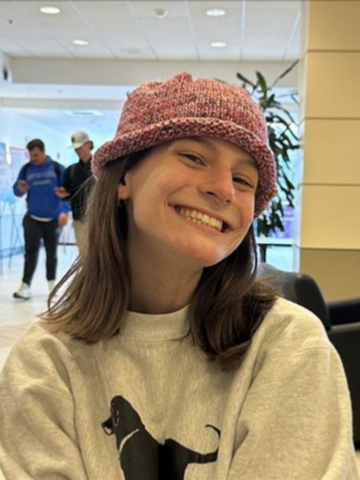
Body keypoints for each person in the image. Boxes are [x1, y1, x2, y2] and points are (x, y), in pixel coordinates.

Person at [0, 73, 358, 479]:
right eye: (193, 157)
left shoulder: (288, 348)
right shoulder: (46, 365)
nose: (224, 189)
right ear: (125, 178)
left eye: (243, 180)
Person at [12, 139, 69, 300]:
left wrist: (64, 212)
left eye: (36, 155)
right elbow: (17, 191)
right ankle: (25, 285)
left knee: (52, 253)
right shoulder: (26, 169)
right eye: (31, 155)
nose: (33, 158)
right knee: (31, 252)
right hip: (32, 217)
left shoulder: (57, 169)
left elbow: (67, 193)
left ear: (43, 152)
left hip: (53, 219)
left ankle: (52, 285)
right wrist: (20, 189)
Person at [55, 130, 94, 252]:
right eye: (76, 149)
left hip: (99, 219)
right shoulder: (71, 171)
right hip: (79, 220)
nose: (78, 151)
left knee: (101, 255)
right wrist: (64, 195)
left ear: (88, 145)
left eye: (80, 147)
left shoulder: (102, 168)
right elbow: (67, 194)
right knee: (84, 256)